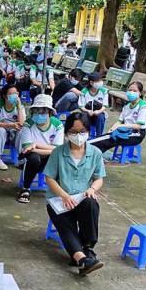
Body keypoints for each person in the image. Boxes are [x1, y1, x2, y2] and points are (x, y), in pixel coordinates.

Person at [43, 113, 105, 276]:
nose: (78, 136)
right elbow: (49, 178)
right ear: (67, 133)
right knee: (65, 223)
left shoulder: (96, 153)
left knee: (91, 203)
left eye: (82, 131)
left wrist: (92, 189)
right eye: (73, 131)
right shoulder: (58, 152)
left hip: (81, 198)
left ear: (88, 131)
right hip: (58, 199)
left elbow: (99, 178)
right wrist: (64, 196)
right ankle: (83, 259)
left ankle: (87, 249)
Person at [17, 94, 64, 204]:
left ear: (50, 113)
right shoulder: (28, 124)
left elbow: (58, 149)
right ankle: (26, 188)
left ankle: (60, 190)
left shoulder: (57, 125)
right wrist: (48, 149)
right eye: (36, 111)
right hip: (30, 158)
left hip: (50, 158)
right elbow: (26, 149)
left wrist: (36, 144)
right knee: (34, 158)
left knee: (62, 158)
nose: (39, 115)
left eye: (43, 112)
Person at [93, 81, 146, 155]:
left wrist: (120, 126)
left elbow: (138, 126)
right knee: (107, 136)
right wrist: (112, 128)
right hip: (125, 130)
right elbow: (119, 121)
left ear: (140, 93)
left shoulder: (143, 106)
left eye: (135, 91)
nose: (131, 92)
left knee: (112, 138)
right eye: (130, 90)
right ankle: (94, 152)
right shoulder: (126, 106)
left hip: (137, 134)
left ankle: (94, 154)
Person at [0, 84, 27, 170]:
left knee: (22, 131)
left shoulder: (20, 106)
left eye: (16, 93)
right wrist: (11, 125)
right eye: (11, 94)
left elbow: (22, 123)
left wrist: (19, 107)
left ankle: (21, 159)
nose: (14, 96)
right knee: (0, 130)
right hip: (0, 134)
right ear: (5, 96)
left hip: (13, 135)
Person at [77, 72, 108, 137]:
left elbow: (105, 106)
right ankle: (83, 135)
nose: (100, 82)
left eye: (101, 80)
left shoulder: (104, 91)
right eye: (98, 81)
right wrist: (87, 111)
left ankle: (98, 136)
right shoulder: (84, 91)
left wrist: (98, 111)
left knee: (101, 117)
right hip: (87, 113)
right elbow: (81, 106)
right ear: (91, 83)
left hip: (99, 113)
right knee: (82, 116)